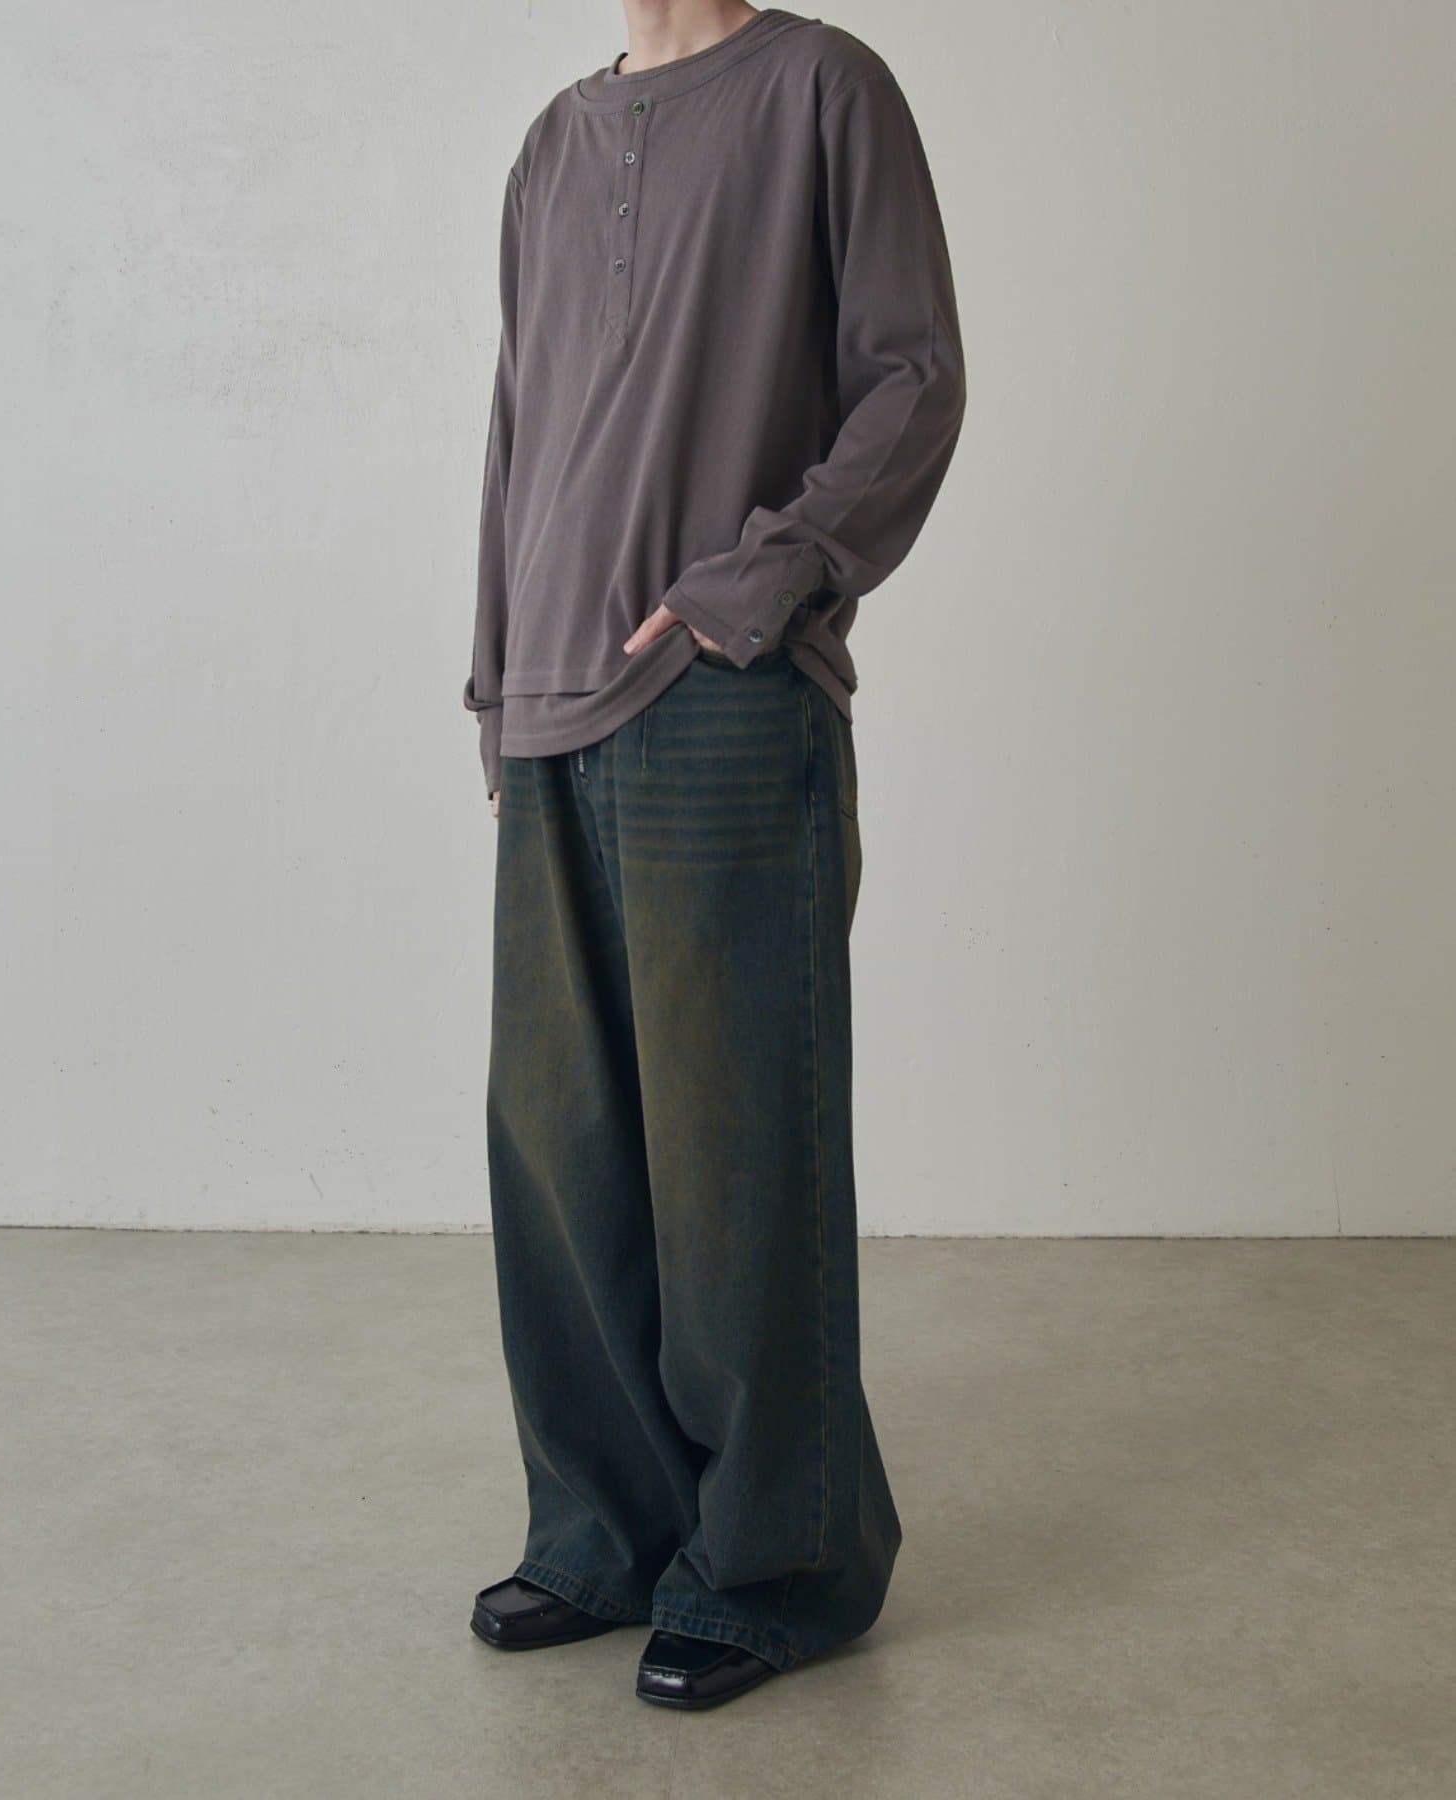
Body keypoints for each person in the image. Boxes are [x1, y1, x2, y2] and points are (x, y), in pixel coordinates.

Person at [463, 0, 965, 1710]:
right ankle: (607, 1531)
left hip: (723, 688)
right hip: (550, 696)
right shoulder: (552, 142)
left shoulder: (827, 89)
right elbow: (518, 423)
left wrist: (757, 586)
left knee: (736, 1145)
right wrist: (497, 672)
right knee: (562, 1150)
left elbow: (913, 376)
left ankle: (776, 1565)